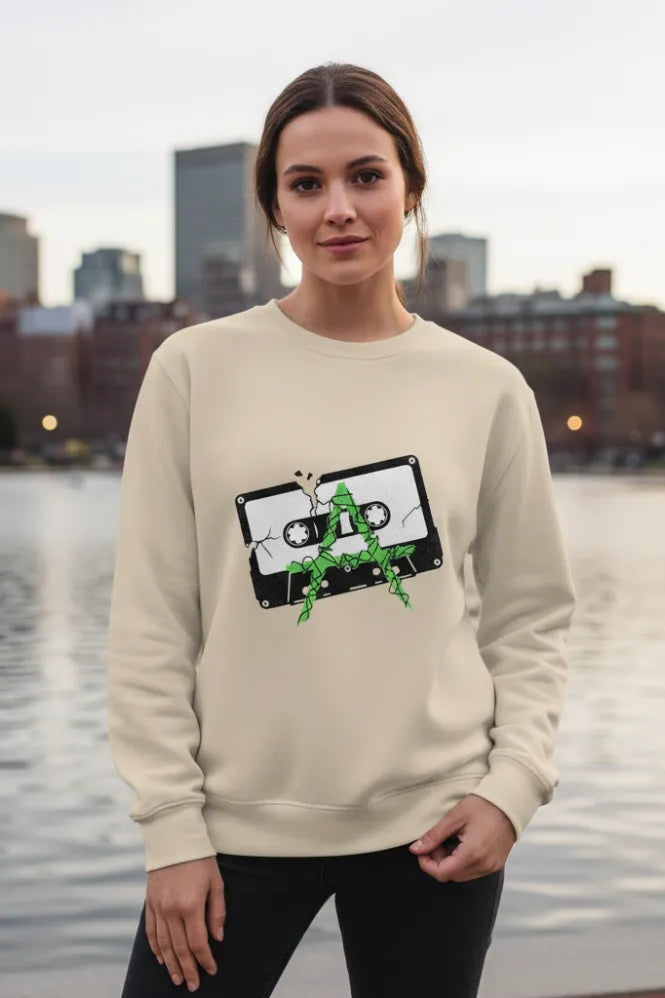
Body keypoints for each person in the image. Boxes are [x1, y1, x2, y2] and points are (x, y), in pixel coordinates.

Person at [107, 61, 577, 997]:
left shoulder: (484, 389)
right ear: (273, 210)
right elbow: (152, 620)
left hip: (436, 831)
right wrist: (171, 828)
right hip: (232, 834)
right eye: (306, 184)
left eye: (366, 176)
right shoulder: (194, 370)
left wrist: (510, 789)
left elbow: (530, 619)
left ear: (410, 188)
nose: (340, 210)